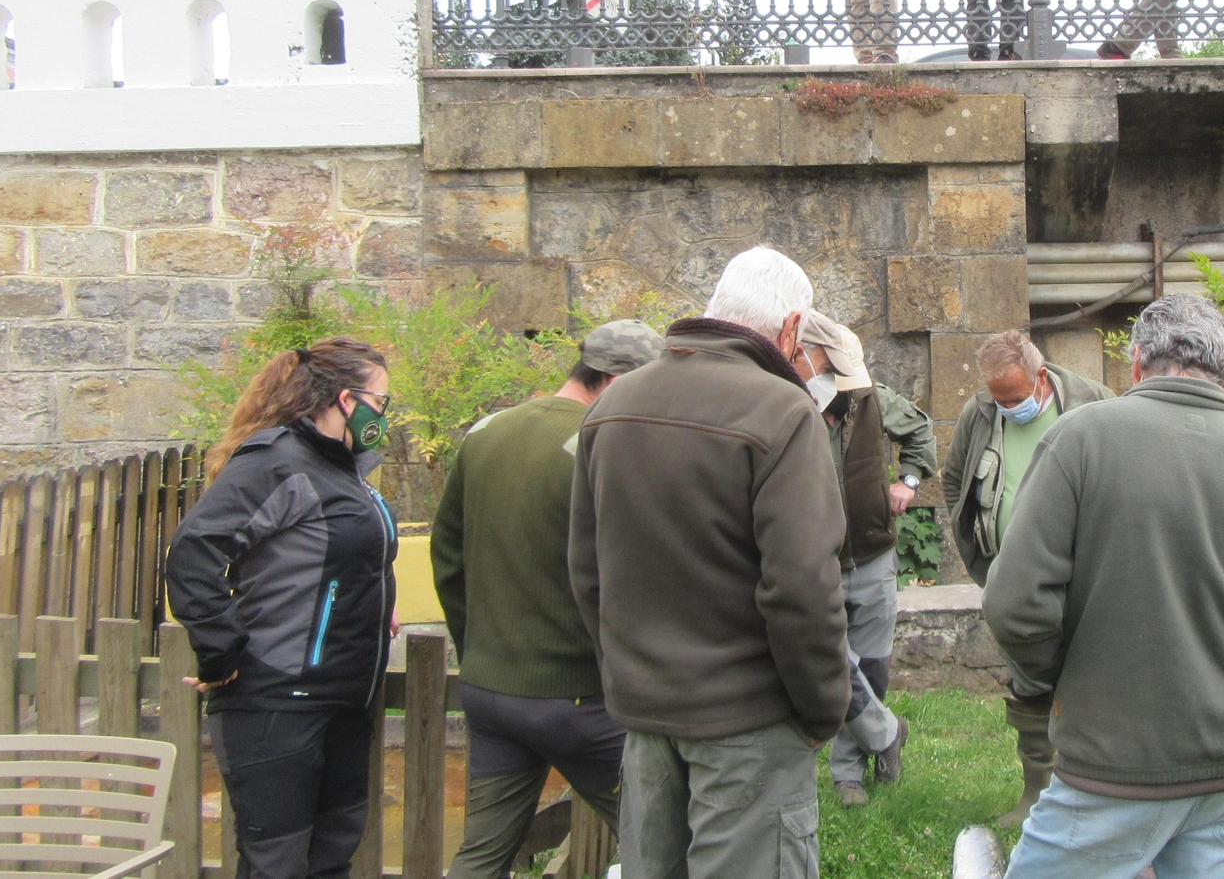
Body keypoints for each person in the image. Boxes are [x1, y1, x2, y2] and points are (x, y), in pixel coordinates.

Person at [984, 295, 1224, 878]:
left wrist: (1060, 674)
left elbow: (1014, 605)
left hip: (1110, 763)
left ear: (1136, 362)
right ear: (1223, 369)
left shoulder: (1081, 438)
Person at [569, 247, 850, 879]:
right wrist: (823, 709)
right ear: (789, 329)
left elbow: (587, 575)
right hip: (748, 721)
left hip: (645, 718)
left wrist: (631, 677)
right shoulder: (782, 412)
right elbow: (802, 586)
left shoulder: (611, 408)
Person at [434, 319, 664, 879]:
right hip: (580, 699)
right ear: (614, 381)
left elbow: (447, 560)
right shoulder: (602, 442)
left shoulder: (485, 432)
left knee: (482, 857)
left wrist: (482, 652)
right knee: (660, 839)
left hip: (491, 693)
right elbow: (627, 575)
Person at [165, 336, 400, 879]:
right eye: (382, 403)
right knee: (277, 863)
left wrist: (376, 602)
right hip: (278, 702)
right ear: (347, 399)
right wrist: (221, 655)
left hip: (347, 698)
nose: (384, 417)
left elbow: (351, 550)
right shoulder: (276, 462)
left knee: (332, 856)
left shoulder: (346, 469)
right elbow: (193, 555)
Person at [941, 329, 1114, 826]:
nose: (1008, 407)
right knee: (1029, 683)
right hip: (1014, 579)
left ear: (1040, 377)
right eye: (1000, 400)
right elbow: (955, 478)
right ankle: (1037, 793)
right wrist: (977, 546)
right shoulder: (981, 412)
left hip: (1085, 579)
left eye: (1015, 398)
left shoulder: (1093, 403)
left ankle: (1094, 790)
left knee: (1092, 681)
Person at [796, 311, 937, 807]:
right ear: (804, 358)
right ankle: (879, 740)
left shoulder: (869, 399)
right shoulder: (785, 406)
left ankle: (850, 773)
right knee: (837, 667)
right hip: (818, 562)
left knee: (872, 668)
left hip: (873, 552)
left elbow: (920, 434)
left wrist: (910, 481)